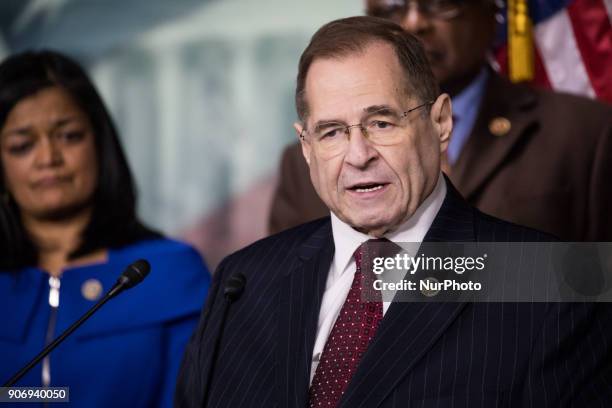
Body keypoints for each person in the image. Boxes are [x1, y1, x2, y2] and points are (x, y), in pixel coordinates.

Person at [176, 17, 612, 407]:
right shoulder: (244, 282)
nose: (358, 154)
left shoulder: (549, 284)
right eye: (331, 133)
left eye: (382, 123)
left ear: (440, 122)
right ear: (306, 146)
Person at [268, 0, 612, 241]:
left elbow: (598, 283)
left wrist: (435, 278)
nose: (415, 22)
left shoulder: (586, 133)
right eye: (391, 7)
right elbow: (289, 293)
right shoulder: (304, 165)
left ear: (494, 13)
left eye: (440, 3)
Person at [0, 50, 211, 407]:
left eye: (68, 136)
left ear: (100, 145)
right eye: (22, 145)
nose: (48, 158)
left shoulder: (168, 272)